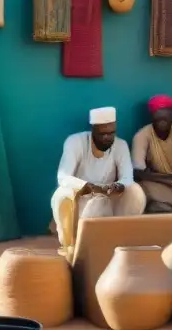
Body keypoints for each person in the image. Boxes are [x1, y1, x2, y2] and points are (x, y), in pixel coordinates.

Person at [51, 107, 146, 253]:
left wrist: (119, 186)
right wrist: (89, 187)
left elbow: (127, 177)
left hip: (108, 196)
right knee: (61, 195)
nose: (108, 137)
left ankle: (122, 240)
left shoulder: (120, 145)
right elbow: (63, 177)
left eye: (111, 133)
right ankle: (69, 245)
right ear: (93, 130)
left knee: (135, 190)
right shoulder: (75, 142)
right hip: (81, 196)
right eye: (103, 134)